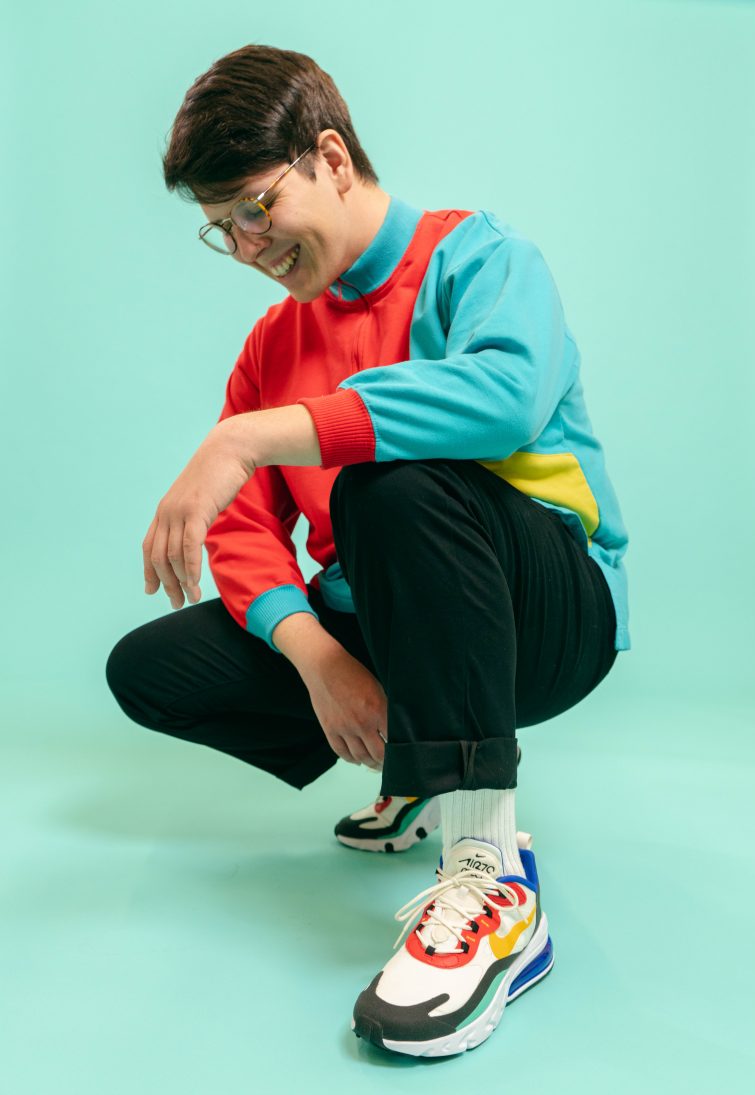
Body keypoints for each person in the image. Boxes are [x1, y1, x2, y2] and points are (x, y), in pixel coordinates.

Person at [106, 44, 630, 1057]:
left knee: (388, 481)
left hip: (547, 616)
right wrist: (319, 660)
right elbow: (243, 527)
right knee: (150, 668)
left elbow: (503, 398)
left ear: (333, 158)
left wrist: (251, 435)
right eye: (222, 228)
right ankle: (420, 759)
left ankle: (493, 877)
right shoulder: (273, 344)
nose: (247, 245)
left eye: (255, 207)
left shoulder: (480, 259)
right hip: (394, 622)